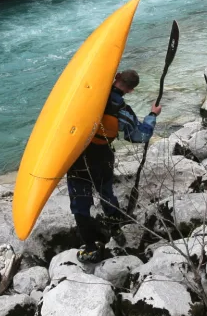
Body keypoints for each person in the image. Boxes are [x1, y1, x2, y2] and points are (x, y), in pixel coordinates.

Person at [67, 69, 161, 263]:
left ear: (116, 76)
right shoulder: (123, 112)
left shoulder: (87, 97)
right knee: (106, 194)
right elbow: (140, 136)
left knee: (80, 203)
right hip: (102, 158)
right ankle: (115, 229)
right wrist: (152, 114)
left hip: (78, 158)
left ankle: (90, 249)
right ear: (131, 90)